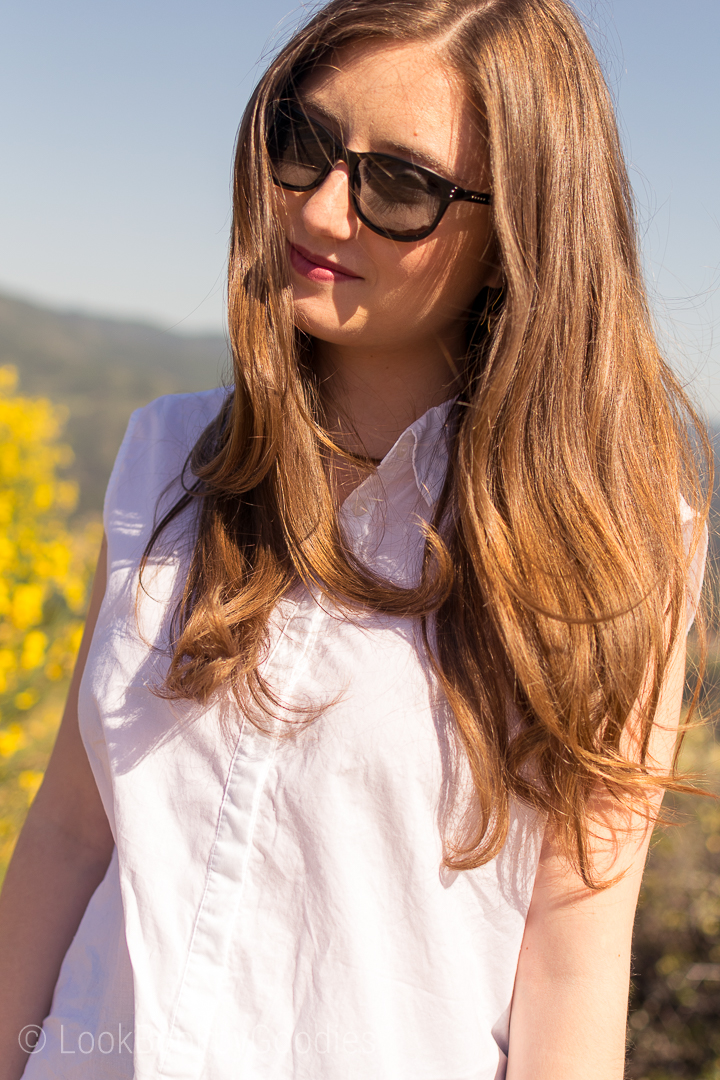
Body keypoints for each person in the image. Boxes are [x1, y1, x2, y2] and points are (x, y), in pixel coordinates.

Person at [0, 0, 710, 1077]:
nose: (323, 210)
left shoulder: (616, 553)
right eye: (306, 142)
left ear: (523, 225)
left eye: (401, 187)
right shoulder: (166, 460)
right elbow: (70, 835)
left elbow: (572, 963)